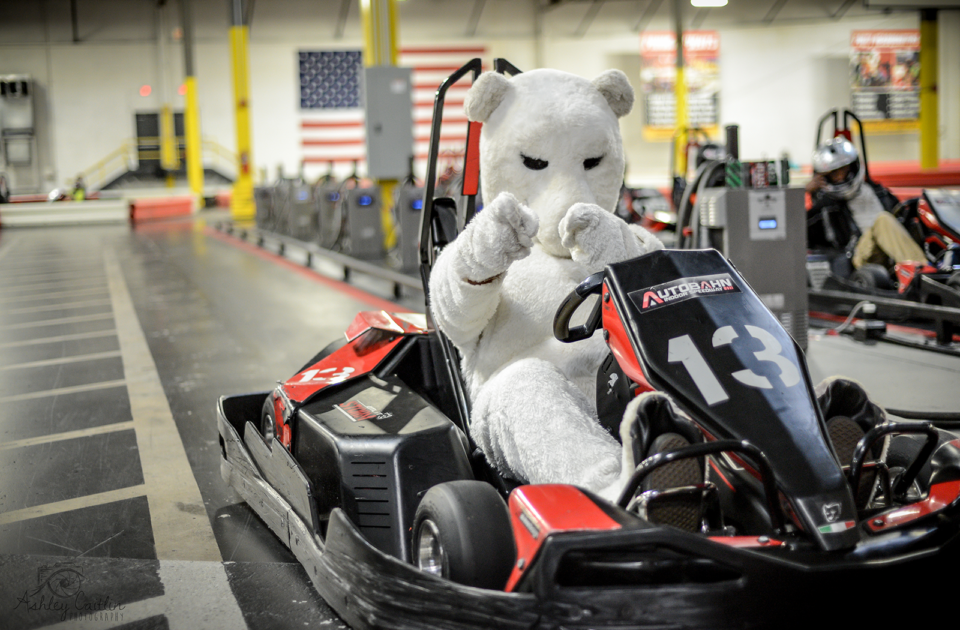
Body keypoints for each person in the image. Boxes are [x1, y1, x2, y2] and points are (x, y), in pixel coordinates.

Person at [806, 137, 925, 269]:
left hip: (889, 252)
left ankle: (938, 263)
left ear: (853, 166)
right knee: (883, 219)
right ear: (823, 177)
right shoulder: (825, 208)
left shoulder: (879, 192)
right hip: (856, 260)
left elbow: (901, 217)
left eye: (844, 169)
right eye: (834, 173)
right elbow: (798, 232)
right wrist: (803, 192)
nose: (840, 176)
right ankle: (920, 270)